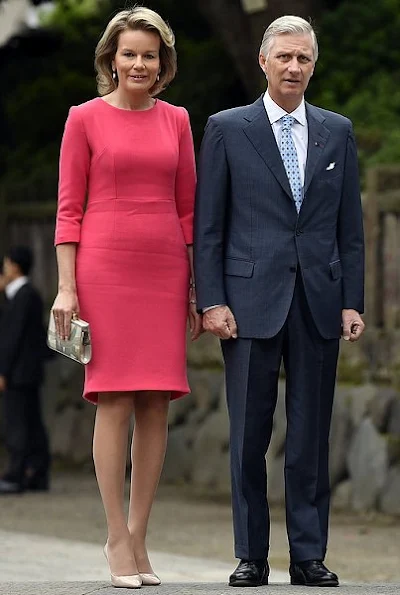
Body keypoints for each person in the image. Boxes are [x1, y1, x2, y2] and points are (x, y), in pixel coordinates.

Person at [194, 15, 365, 588]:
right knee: (248, 434)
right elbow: (209, 225)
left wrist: (352, 300)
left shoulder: (337, 131)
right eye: (285, 57)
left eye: (304, 59)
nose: (294, 67)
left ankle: (308, 556)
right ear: (265, 62)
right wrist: (211, 300)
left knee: (311, 436)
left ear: (314, 66)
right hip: (246, 303)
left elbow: (351, 229)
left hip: (319, 301)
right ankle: (251, 556)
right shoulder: (226, 127)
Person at [51, 6, 201, 589]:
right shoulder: (82, 119)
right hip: (104, 268)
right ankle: (115, 537)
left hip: (164, 268)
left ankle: (140, 536)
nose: (139, 63)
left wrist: (195, 285)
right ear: (111, 59)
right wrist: (66, 286)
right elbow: (68, 209)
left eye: (150, 54)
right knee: (112, 399)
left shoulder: (180, 121)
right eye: (129, 53)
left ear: (162, 63)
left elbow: (190, 210)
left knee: (156, 403)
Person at [0, 246, 51, 495]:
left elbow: (12, 338)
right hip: (27, 371)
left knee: (17, 424)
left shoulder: (23, 296)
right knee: (31, 423)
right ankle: (37, 473)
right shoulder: (28, 295)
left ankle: (16, 474)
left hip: (18, 372)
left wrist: (3, 371)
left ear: (13, 265)